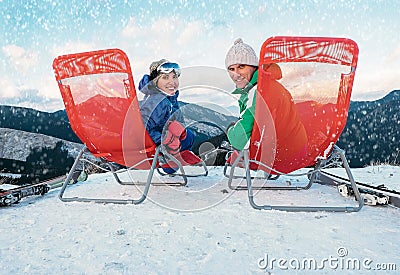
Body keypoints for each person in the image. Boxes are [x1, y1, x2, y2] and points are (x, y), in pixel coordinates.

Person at [224, 38, 308, 163]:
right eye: (231, 69)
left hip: (277, 157)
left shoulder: (257, 92)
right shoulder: (272, 85)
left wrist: (230, 129)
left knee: (234, 143)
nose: (236, 74)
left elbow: (240, 140)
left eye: (241, 67)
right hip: (300, 151)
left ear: (254, 67)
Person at [139, 59, 199, 173]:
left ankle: (180, 153)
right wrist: (164, 139)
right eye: (165, 77)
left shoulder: (169, 98)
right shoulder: (156, 101)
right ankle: (171, 158)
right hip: (159, 145)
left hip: (169, 139)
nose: (172, 82)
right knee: (172, 167)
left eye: (174, 77)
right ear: (156, 81)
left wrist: (178, 131)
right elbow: (142, 128)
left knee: (189, 135)